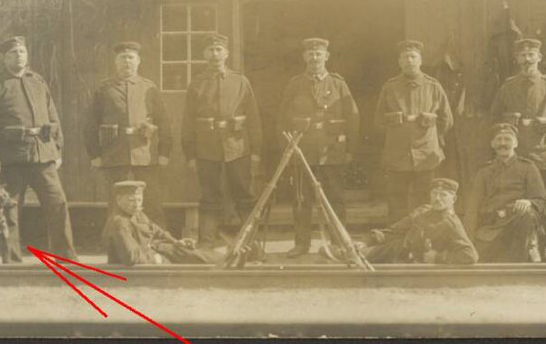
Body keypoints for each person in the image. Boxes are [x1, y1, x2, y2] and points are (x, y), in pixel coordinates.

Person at [0, 36, 77, 262]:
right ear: (4, 59)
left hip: (43, 156)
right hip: (12, 159)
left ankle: (66, 258)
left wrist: (57, 149)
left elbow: (53, 117)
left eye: (22, 51)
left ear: (27, 55)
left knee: (58, 205)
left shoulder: (38, 81)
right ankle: (11, 260)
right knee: (10, 210)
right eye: (13, 53)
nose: (19, 56)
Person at [490, 38, 546, 261]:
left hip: (543, 154)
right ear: (516, 59)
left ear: (539, 58)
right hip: (516, 157)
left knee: (545, 202)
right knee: (518, 202)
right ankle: (530, 246)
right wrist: (506, 133)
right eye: (522, 55)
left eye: (531, 55)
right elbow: (494, 119)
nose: (527, 59)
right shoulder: (507, 87)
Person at [277, 37, 360, 258]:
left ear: (326, 56)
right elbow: (283, 119)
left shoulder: (338, 84)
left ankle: (338, 243)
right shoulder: (295, 84)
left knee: (335, 198)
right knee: (301, 199)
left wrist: (350, 149)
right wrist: (287, 149)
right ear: (305, 57)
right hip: (302, 152)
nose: (314, 58)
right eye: (310, 54)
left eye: (318, 54)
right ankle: (301, 244)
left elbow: (353, 118)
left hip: (331, 152)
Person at [181, 33, 262, 250]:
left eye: (219, 50)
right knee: (208, 194)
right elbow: (188, 121)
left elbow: (253, 117)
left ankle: (250, 242)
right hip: (206, 149)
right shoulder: (197, 84)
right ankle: (207, 242)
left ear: (226, 54)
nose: (215, 54)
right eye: (210, 50)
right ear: (204, 54)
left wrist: (256, 150)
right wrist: (190, 154)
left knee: (243, 193)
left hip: (237, 147)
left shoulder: (240, 81)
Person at [84, 41, 172, 228]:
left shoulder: (149, 87)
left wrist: (164, 152)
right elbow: (90, 124)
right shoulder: (105, 89)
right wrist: (95, 154)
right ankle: (117, 240)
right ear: (116, 62)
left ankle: (159, 241)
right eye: (122, 58)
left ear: (138, 61)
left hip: (144, 153)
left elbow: (163, 121)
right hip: (115, 153)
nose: (127, 62)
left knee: (152, 201)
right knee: (116, 201)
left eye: (131, 58)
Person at [374, 40, 454, 224]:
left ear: (420, 60)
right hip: (397, 155)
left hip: (426, 155)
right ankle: (397, 238)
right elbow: (378, 121)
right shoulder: (390, 87)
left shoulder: (433, 86)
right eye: (405, 57)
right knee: (396, 201)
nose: (409, 60)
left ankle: (423, 237)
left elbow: (446, 120)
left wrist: (432, 138)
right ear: (399, 62)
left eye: (413, 56)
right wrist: (398, 133)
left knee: (425, 200)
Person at [463, 123, 546, 263]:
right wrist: (468, 241)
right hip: (490, 230)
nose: (502, 143)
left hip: (516, 227)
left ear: (516, 143)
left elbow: (541, 201)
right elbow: (472, 207)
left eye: (507, 139)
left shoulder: (528, 167)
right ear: (492, 144)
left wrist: (528, 202)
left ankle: (529, 250)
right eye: (498, 139)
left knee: (527, 216)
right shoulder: (484, 171)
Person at [362, 178, 478, 265]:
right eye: (434, 193)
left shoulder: (451, 224)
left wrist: (438, 257)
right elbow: (393, 231)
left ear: (453, 199)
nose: (437, 198)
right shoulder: (422, 211)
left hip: (414, 265)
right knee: (356, 254)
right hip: (394, 251)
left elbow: (470, 255)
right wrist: (366, 241)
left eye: (443, 195)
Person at [103, 181, 219, 265]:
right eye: (131, 200)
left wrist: (175, 241)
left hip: (151, 249)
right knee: (182, 258)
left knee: (187, 252)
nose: (136, 204)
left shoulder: (136, 213)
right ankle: (223, 261)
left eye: (139, 200)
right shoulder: (120, 222)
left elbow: (155, 229)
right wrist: (156, 259)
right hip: (141, 261)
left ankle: (223, 259)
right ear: (118, 200)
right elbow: (132, 257)